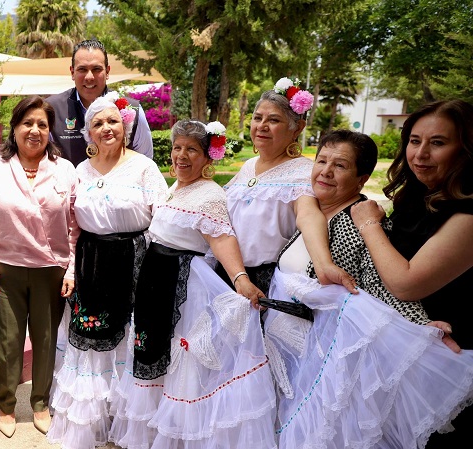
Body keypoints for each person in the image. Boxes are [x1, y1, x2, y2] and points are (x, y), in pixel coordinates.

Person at [267, 129, 473, 448]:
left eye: (340, 165)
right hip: (290, 349)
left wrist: (419, 325)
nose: (326, 171)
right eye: (321, 160)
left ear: (362, 179)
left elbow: (381, 283)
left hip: (328, 358)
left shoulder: (357, 223)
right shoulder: (312, 211)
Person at [110, 120, 275, 449]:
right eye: (177, 147)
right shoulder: (176, 188)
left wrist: (240, 278)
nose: (181, 156)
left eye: (191, 150)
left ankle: (180, 436)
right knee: (154, 352)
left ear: (207, 158)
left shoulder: (211, 194)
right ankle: (153, 429)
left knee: (182, 363)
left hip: (182, 288)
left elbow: (222, 238)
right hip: (156, 283)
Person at [46, 93, 168, 449]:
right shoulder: (80, 171)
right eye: (97, 123)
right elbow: (73, 227)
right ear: (88, 133)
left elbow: (161, 219)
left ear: (125, 125)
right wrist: (71, 269)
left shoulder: (144, 167)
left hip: (134, 262)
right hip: (91, 263)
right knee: (92, 342)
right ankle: (93, 420)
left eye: (112, 121)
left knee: (129, 337)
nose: (106, 128)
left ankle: (125, 422)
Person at [350, 99, 473, 446]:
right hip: (403, 347)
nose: (420, 154)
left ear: (465, 149)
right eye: (415, 140)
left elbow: (406, 283)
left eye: (438, 142)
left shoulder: (466, 214)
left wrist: (369, 224)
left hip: (447, 362)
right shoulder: (416, 197)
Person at [0, 96, 79, 438]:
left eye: (42, 125)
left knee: (46, 341)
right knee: (7, 341)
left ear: (50, 132)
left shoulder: (65, 170)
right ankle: (6, 406)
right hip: (6, 269)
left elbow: (76, 225)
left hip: (52, 269)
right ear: (15, 128)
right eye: (27, 123)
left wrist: (72, 269)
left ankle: (40, 403)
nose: (34, 131)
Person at [223, 78, 354, 295]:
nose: (262, 126)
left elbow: (308, 215)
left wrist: (324, 264)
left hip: (265, 285)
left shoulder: (303, 171)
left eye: (273, 120)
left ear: (297, 129)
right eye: (257, 118)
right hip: (230, 273)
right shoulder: (248, 166)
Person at [46, 39, 153, 166]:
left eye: (96, 69)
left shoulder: (133, 109)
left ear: (107, 72)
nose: (89, 77)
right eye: (82, 69)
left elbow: (145, 161)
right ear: (72, 72)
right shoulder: (51, 110)